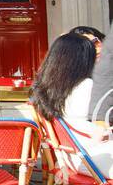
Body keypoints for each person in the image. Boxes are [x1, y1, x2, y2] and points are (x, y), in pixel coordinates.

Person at [31, 32, 109, 175]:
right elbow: (100, 129)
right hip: (94, 158)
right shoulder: (86, 86)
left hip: (71, 158)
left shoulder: (47, 88)